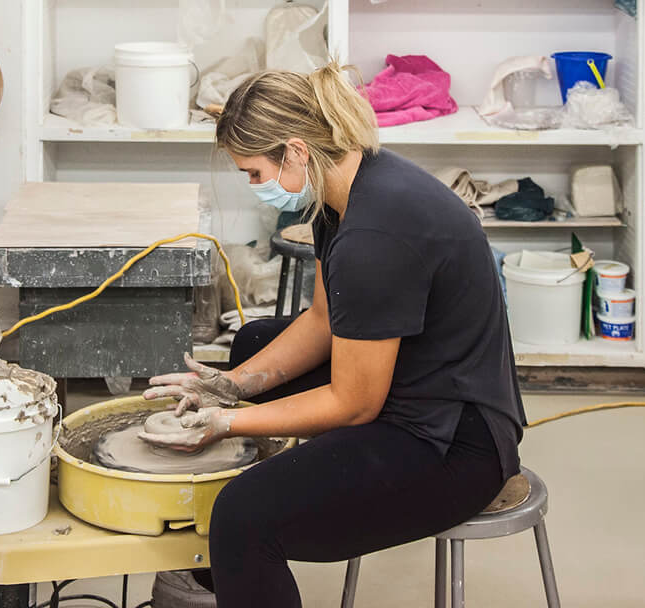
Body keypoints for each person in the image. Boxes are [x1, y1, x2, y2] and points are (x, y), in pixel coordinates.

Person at [141, 62, 526, 608]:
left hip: (456, 442)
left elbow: (353, 404)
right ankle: (228, 577)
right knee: (252, 347)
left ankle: (240, 554)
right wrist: (232, 385)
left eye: (254, 173)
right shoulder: (344, 188)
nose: (255, 188)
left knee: (243, 515)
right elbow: (324, 320)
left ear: (295, 151)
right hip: (419, 383)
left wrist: (225, 422)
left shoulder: (375, 234)